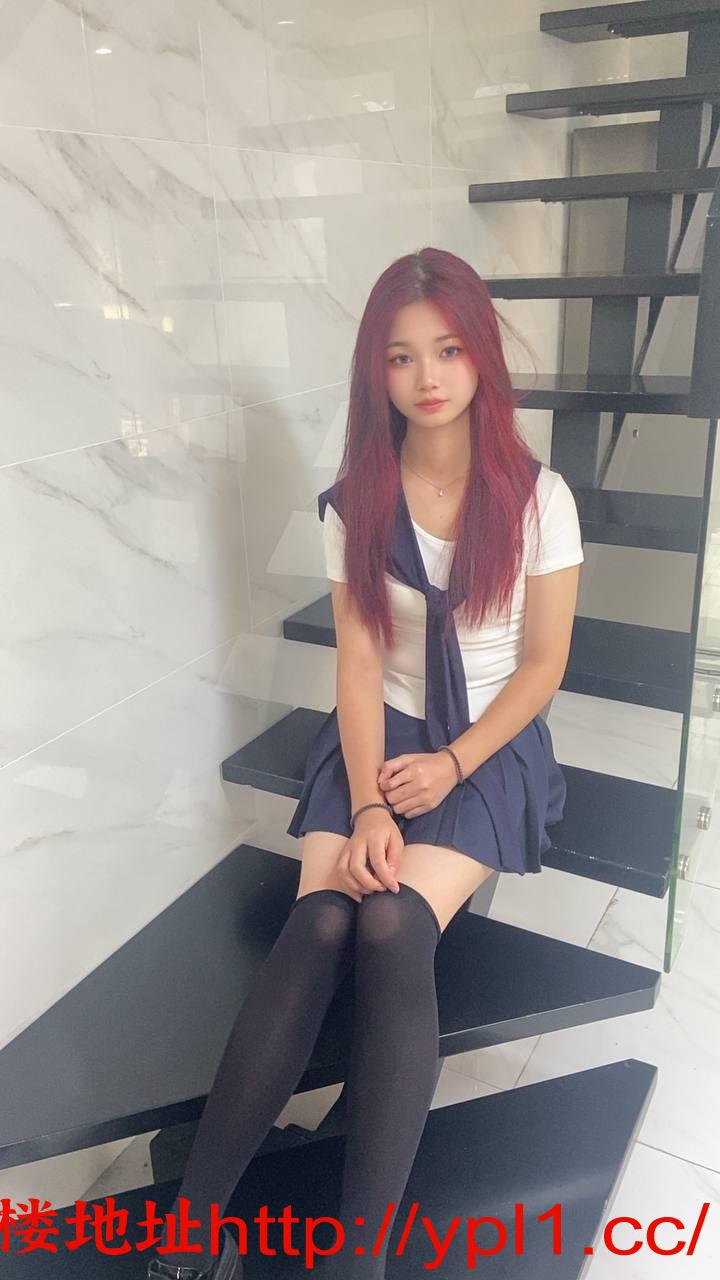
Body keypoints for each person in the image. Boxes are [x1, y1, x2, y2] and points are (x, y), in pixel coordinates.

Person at [146, 247, 584, 1280]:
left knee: (391, 925)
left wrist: (452, 764)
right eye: (401, 355)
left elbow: (543, 666)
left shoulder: (539, 498)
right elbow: (355, 663)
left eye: (448, 349)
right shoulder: (356, 502)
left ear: (481, 355)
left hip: (487, 744)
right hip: (375, 732)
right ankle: (192, 1239)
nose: (428, 375)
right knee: (320, 921)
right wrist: (374, 803)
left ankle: (358, 1262)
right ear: (374, 370)